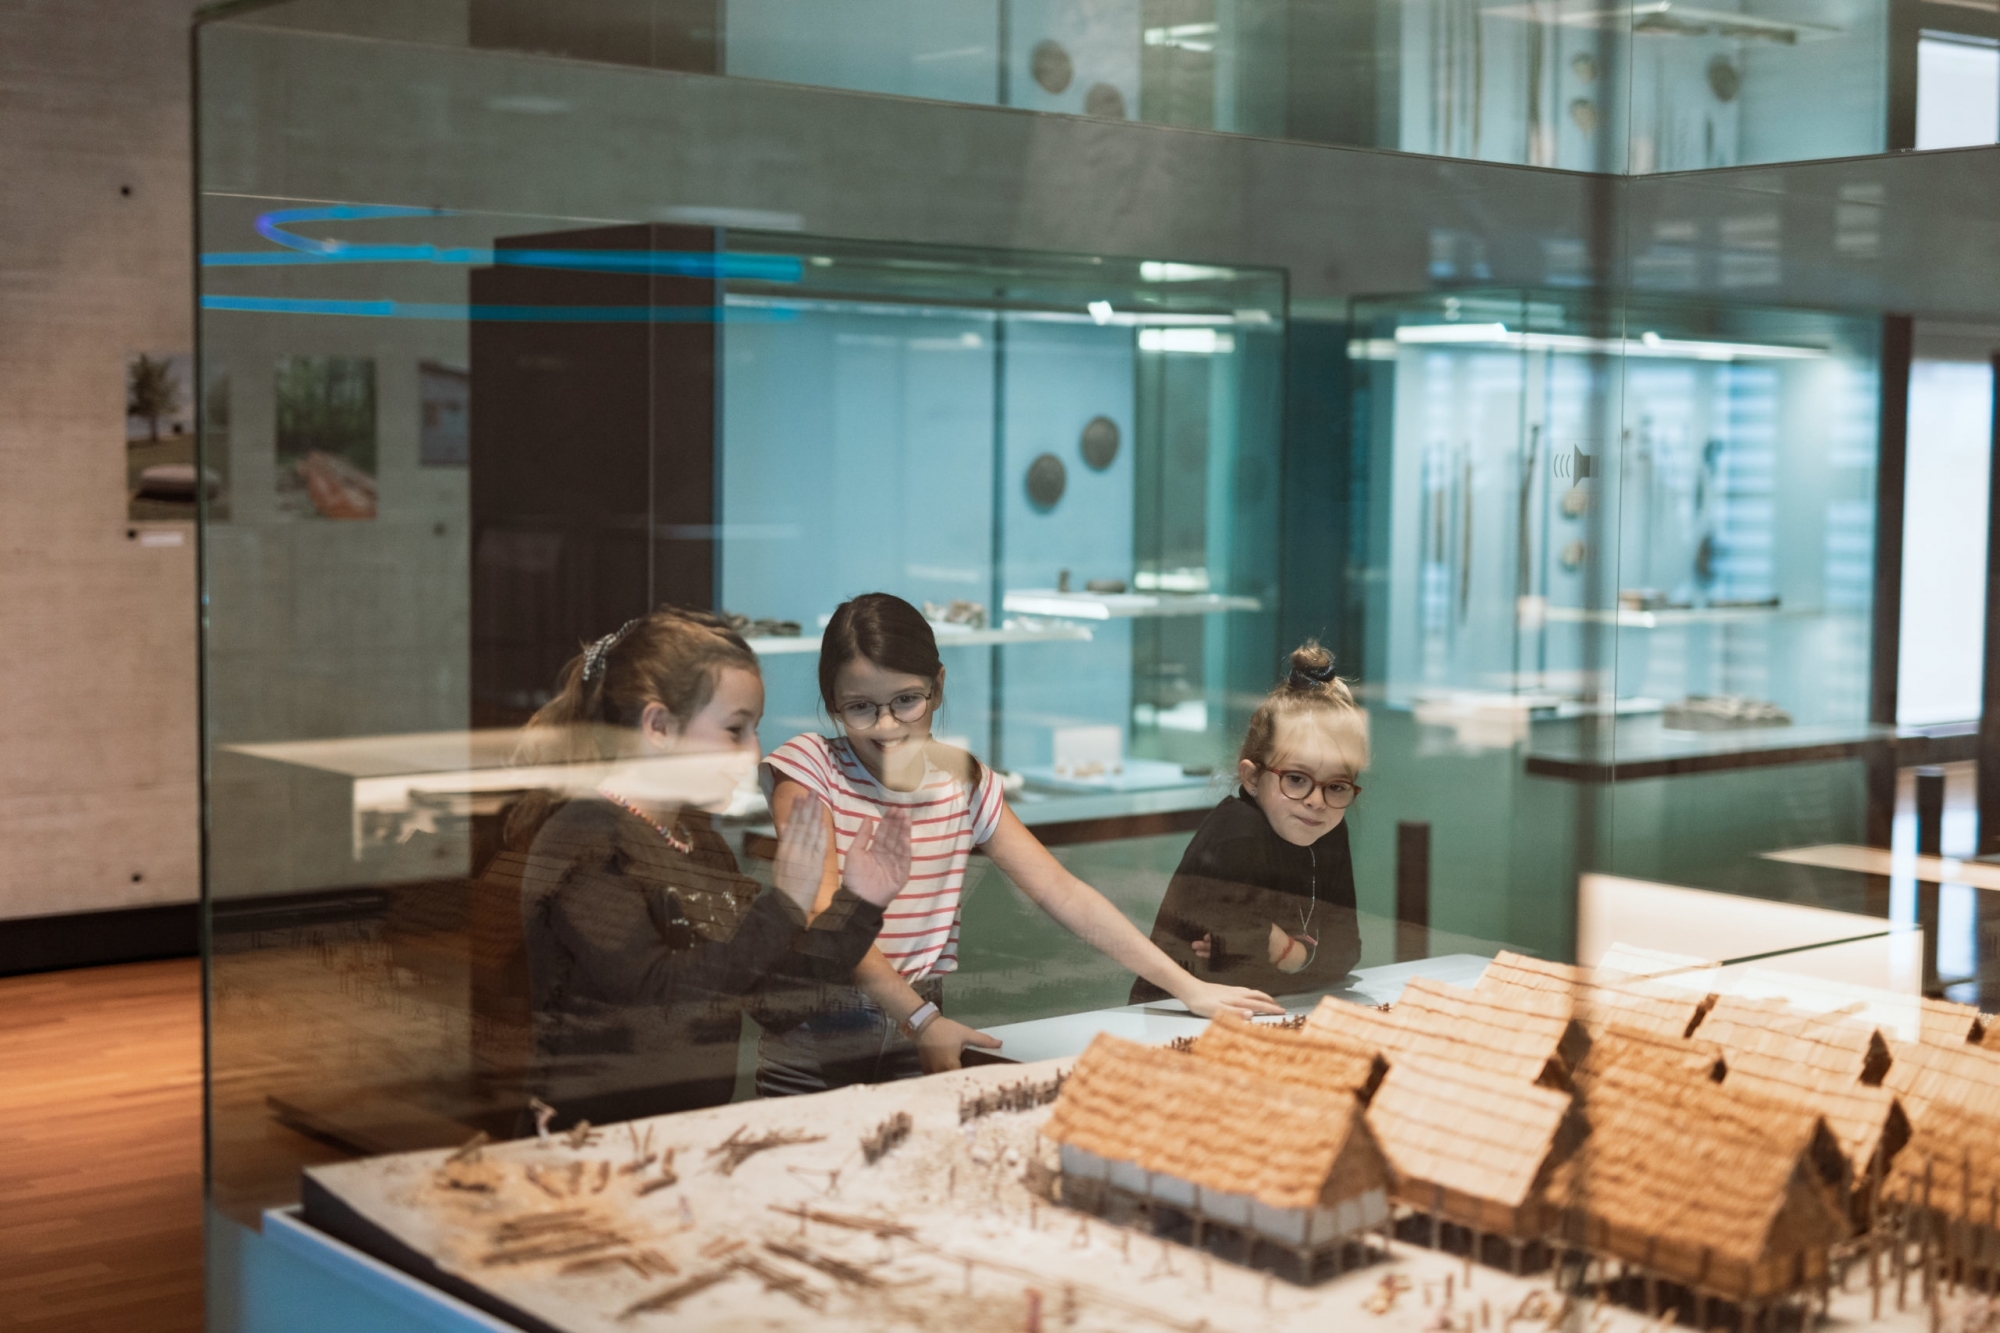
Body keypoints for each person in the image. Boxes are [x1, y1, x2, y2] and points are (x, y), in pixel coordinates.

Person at [758, 592, 1283, 1096]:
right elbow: (824, 908)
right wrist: (920, 1019)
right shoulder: (810, 766)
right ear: (831, 705)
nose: (887, 724)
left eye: (906, 701)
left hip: (919, 1019)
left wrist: (1186, 988)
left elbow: (1059, 890)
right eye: (860, 708)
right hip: (826, 1023)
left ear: (937, 688)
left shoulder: (962, 779)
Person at [511, 608, 912, 1128]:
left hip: (682, 1136)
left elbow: (780, 1003)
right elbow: (662, 1004)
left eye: (754, 731)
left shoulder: (697, 839)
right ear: (658, 726)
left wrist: (860, 902)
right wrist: (785, 902)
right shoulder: (584, 839)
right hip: (589, 1143)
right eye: (734, 730)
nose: (753, 754)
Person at [1129, 641, 1366, 1005]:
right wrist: (1301, 956)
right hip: (1173, 1015)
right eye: (1296, 779)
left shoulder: (1328, 827)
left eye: (1336, 786)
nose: (1316, 801)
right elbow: (1236, 971)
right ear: (1252, 779)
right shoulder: (1238, 835)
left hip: (1274, 1009)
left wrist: (1288, 951)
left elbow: (1347, 952)